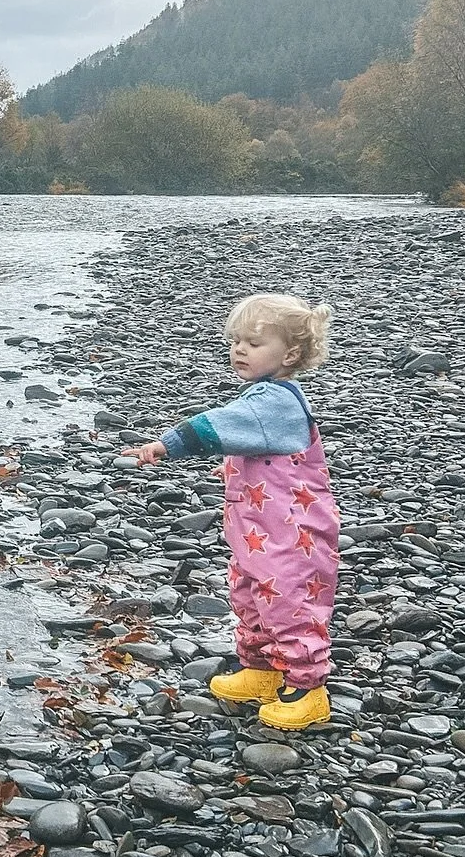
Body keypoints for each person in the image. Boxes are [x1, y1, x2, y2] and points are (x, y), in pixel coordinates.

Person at [133, 292, 339, 733]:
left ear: (290, 354)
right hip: (258, 530)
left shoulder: (273, 400)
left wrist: (167, 445)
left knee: (288, 601)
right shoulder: (267, 398)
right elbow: (258, 446)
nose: (240, 350)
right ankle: (262, 670)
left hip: (291, 532)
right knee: (249, 593)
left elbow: (221, 424)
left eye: (254, 343)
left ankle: (307, 688)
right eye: (235, 341)